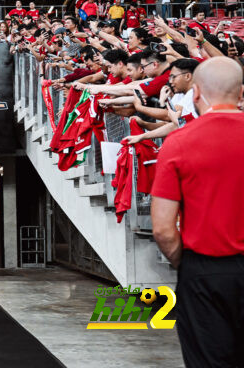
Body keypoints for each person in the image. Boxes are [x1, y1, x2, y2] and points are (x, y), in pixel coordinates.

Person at [151, 56, 244, 368]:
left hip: (205, 271)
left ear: (196, 93)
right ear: (241, 93)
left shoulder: (178, 143)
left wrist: (187, 263)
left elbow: (163, 229)